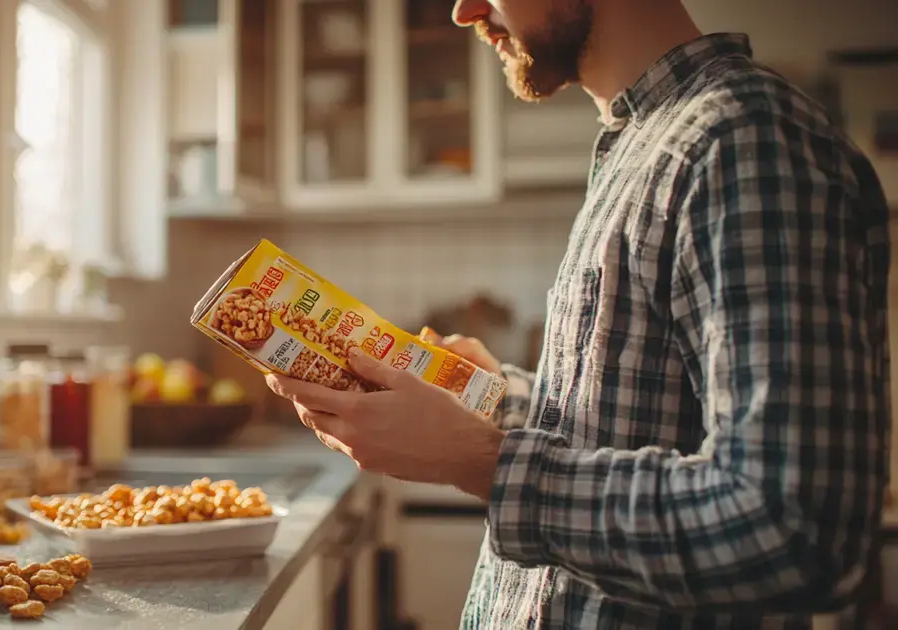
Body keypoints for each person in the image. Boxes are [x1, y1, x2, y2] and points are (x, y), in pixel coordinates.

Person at [266, 0, 892, 628]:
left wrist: (477, 457)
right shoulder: (646, 141)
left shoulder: (743, 139)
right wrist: (492, 401)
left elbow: (792, 529)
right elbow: (643, 421)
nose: (466, 11)